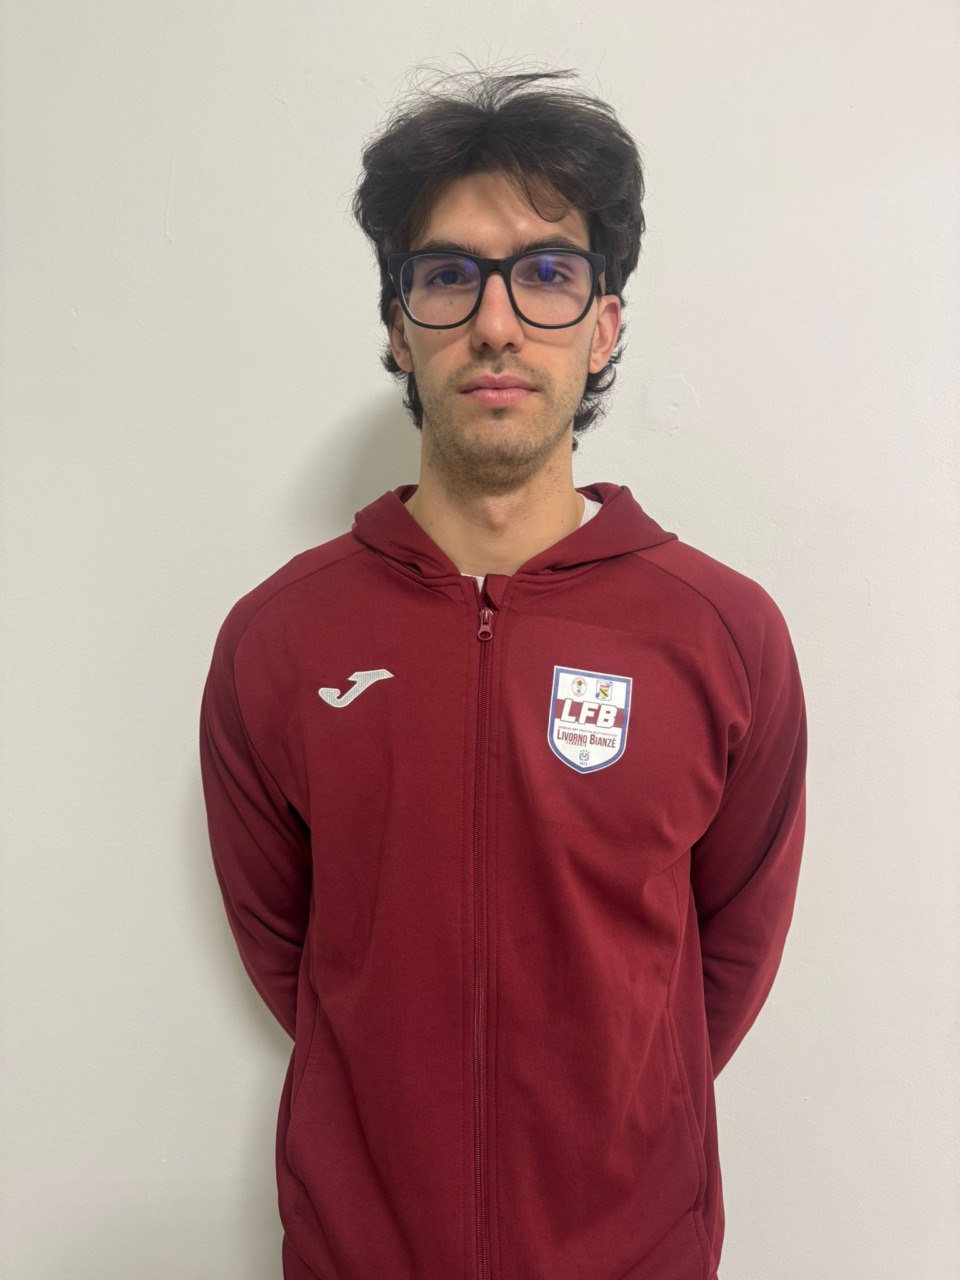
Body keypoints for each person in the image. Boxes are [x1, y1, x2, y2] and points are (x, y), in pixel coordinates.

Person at [200, 69, 806, 1280]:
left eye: (546, 272)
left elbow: (727, 956)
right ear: (398, 325)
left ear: (604, 324)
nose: (496, 323)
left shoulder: (723, 634)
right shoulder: (280, 639)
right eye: (447, 276)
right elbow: (291, 952)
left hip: (634, 1252)